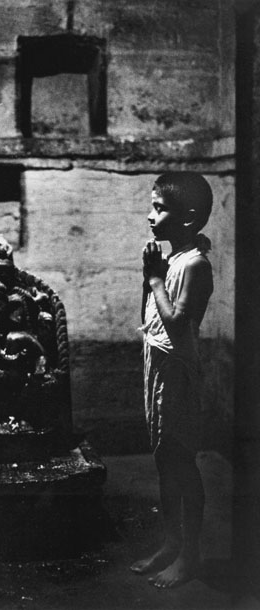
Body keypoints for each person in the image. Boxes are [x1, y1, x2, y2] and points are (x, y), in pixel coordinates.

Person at [131, 172, 214, 588]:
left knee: (181, 461)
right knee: (164, 461)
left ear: (189, 217)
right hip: (158, 368)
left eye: (160, 207)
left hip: (178, 374)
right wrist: (150, 277)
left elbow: (178, 326)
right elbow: (149, 316)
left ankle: (191, 554)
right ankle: (171, 541)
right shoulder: (173, 259)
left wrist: (155, 279)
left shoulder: (195, 266)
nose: (151, 215)